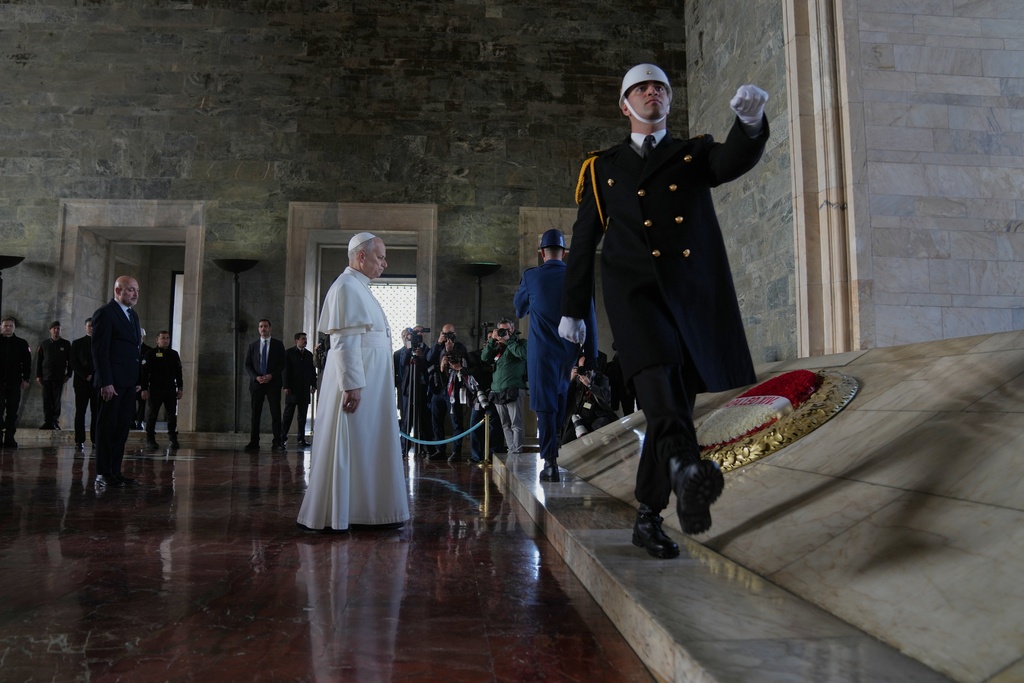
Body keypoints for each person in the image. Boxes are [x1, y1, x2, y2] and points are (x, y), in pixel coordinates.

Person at [559, 64, 770, 559]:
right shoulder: (602, 166)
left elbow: (729, 164)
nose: (652, 92)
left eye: (660, 88)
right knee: (656, 383)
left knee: (669, 406)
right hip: (634, 294)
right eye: (641, 88)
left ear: (669, 102)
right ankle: (686, 470)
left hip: (692, 295)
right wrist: (574, 309)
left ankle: (651, 515)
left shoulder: (693, 152)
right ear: (624, 104)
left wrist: (752, 124)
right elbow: (584, 241)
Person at [297, 232, 410, 532]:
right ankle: (348, 512)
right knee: (353, 442)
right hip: (359, 383)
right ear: (361, 256)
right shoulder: (347, 286)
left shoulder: (360, 287)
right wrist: (352, 385)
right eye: (380, 257)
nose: (384, 263)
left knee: (367, 444)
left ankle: (365, 510)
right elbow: (345, 341)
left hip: (371, 381)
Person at [513, 228, 597, 482]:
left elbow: (519, 310)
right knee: (561, 402)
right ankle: (554, 452)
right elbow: (590, 318)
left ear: (541, 253)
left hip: (541, 353)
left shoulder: (532, 277)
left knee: (545, 406)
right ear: (565, 252)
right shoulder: (577, 277)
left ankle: (550, 461)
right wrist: (590, 358)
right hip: (570, 353)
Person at [91, 276, 144, 488]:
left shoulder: (133, 315)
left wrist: (138, 379)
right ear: (117, 290)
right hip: (111, 384)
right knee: (107, 429)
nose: (135, 294)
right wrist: (106, 382)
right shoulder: (105, 313)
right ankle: (102, 472)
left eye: (136, 290)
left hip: (129, 383)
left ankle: (115, 471)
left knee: (122, 429)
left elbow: (135, 350)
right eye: (130, 290)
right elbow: (99, 351)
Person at [480, 319, 527, 456]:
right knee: (505, 424)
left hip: (514, 388)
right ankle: (511, 449)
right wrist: (491, 341)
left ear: (512, 329)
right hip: (497, 389)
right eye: (501, 329)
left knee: (516, 423)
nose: (504, 332)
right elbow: (484, 358)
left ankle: (517, 451)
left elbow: (522, 354)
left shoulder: (521, 343)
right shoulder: (497, 346)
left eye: (507, 329)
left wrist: (508, 341)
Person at [426, 324, 469, 461]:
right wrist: (439, 344)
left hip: (453, 389)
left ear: (455, 334)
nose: (448, 337)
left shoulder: (460, 347)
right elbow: (428, 359)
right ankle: (440, 450)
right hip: (438, 388)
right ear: (441, 334)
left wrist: (449, 352)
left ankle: (456, 452)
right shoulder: (438, 346)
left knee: (456, 421)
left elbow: (463, 361)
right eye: (445, 334)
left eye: (450, 334)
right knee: (436, 421)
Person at [243, 318, 286, 453]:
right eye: (261, 326)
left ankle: (277, 442)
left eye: (266, 326)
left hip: (272, 384)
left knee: (275, 414)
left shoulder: (278, 345)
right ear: (258, 329)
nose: (263, 329)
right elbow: (248, 365)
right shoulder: (253, 346)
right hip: (257, 384)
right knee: (255, 414)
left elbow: (282, 364)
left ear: (270, 328)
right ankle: (254, 442)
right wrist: (256, 377)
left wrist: (271, 375)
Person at [140, 330, 183, 450]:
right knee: (153, 414)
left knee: (171, 414)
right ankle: (150, 439)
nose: (166, 340)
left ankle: (173, 438)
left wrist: (180, 388)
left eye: (167, 338)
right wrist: (144, 389)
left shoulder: (173, 354)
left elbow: (179, 372)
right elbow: (144, 373)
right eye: (163, 338)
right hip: (155, 388)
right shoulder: (150, 354)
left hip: (170, 388)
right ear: (157, 340)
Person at [0, 316, 32, 449]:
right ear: (1, 327)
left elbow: (27, 363)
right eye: (6, 325)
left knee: (12, 411)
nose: (8, 328)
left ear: (14, 328)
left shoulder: (21, 343)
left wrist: (26, 379)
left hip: (14, 382)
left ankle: (9, 438)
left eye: (10, 326)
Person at [282, 332, 316, 449]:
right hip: (292, 389)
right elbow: (285, 371)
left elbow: (312, 372)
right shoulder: (289, 353)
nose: (305, 341)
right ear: (296, 340)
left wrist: (314, 385)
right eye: (303, 339)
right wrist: (286, 386)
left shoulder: (309, 354)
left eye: (306, 339)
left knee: (302, 416)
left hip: (304, 389)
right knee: (288, 415)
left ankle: (301, 439)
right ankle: (282, 438)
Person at [35, 320, 72, 429]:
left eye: (58, 329)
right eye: (54, 328)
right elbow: (39, 361)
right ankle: (47, 421)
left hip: (59, 377)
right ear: (50, 330)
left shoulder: (65, 344)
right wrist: (38, 375)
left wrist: (68, 374)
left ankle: (55, 421)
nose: (56, 331)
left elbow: (70, 361)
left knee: (56, 400)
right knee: (47, 400)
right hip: (46, 377)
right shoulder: (44, 344)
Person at [70, 317, 98, 451]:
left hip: (97, 383)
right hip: (81, 382)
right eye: (89, 326)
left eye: (93, 325)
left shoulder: (101, 343)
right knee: (80, 412)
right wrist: (85, 375)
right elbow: (73, 362)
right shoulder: (77, 343)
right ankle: (79, 440)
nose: (91, 327)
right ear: (85, 327)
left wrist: (94, 376)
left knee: (96, 412)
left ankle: (95, 440)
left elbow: (104, 361)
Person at [134, 328, 152, 429]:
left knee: (142, 402)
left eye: (141, 336)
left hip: (142, 382)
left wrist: (142, 384)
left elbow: (149, 370)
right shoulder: (130, 349)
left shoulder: (148, 350)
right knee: (130, 403)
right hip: (131, 382)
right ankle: (131, 421)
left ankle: (139, 421)